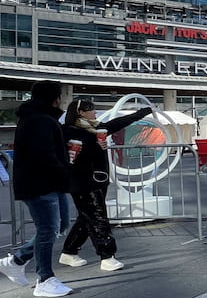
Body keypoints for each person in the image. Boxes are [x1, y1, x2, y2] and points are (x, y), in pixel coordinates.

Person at [0, 80, 72, 298]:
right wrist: (65, 170)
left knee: (60, 224)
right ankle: (45, 278)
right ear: (54, 98)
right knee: (48, 228)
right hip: (40, 182)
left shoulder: (41, 118)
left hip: (48, 181)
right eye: (59, 95)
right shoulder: (38, 120)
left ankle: (16, 261)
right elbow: (43, 154)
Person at [58, 98, 152, 272]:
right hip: (82, 180)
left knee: (87, 216)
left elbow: (116, 124)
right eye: (92, 110)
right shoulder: (68, 131)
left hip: (98, 179)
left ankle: (69, 251)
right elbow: (72, 155)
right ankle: (107, 256)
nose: (95, 113)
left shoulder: (96, 129)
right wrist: (94, 147)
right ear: (81, 112)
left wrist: (140, 114)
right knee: (98, 217)